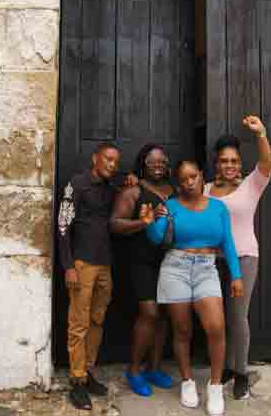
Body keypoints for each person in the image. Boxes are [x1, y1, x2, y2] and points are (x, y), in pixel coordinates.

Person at [139, 160, 243, 416]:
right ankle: (187, 381)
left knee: (215, 327)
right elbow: (156, 238)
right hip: (176, 268)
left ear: (201, 176)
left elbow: (228, 242)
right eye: (183, 179)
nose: (189, 183)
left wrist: (236, 276)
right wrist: (149, 222)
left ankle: (215, 385)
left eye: (193, 177)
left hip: (207, 269)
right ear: (178, 183)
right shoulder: (170, 206)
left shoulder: (218, 207)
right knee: (182, 330)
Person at [206, 115, 271, 400]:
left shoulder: (251, 185)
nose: (229, 165)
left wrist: (261, 135)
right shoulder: (206, 189)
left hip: (244, 258)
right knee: (217, 318)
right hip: (211, 261)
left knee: (237, 316)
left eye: (233, 160)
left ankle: (241, 373)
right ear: (217, 163)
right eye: (224, 160)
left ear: (239, 163)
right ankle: (226, 368)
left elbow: (267, 164)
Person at [57, 142, 122, 411]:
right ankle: (76, 380)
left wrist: (132, 181)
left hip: (105, 264)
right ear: (95, 158)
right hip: (82, 264)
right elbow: (62, 224)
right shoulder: (77, 183)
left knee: (97, 320)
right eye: (108, 159)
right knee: (78, 323)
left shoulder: (110, 189)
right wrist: (68, 265)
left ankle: (87, 370)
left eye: (116, 162)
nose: (112, 165)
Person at [109, 144, 175, 397]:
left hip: (170, 261)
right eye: (152, 162)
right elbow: (114, 223)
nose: (158, 165)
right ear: (142, 164)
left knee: (165, 315)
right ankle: (134, 370)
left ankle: (154, 368)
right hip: (141, 261)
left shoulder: (175, 190)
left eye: (162, 161)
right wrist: (143, 222)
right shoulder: (134, 190)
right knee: (149, 313)